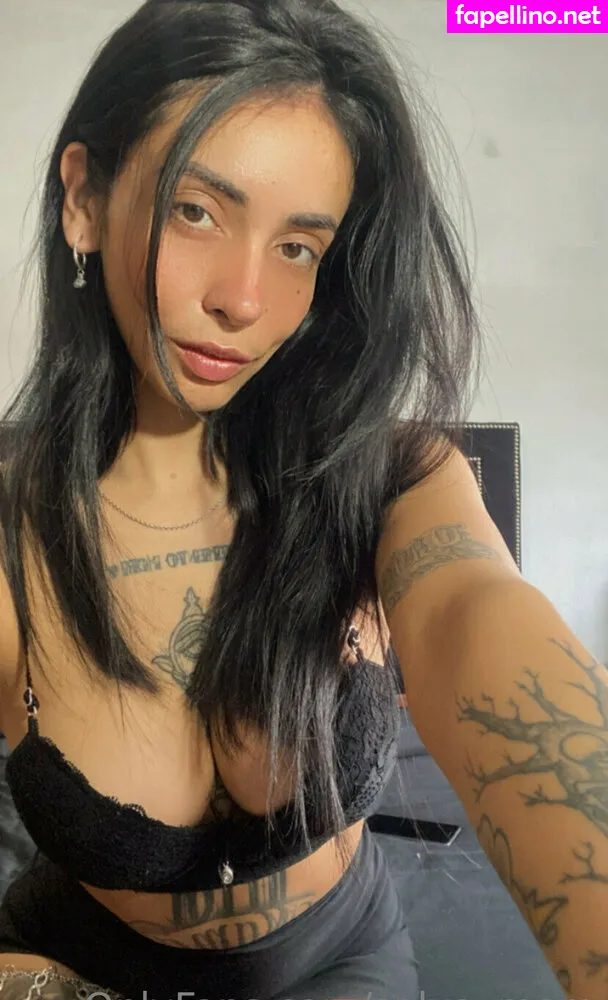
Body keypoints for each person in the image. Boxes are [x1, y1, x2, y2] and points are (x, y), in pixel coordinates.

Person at [0, 0, 604, 998]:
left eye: (297, 248)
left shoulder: (389, 480)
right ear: (84, 200)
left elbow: (473, 613)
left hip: (342, 953)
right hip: (77, 968)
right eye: (197, 211)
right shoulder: (16, 534)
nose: (243, 299)